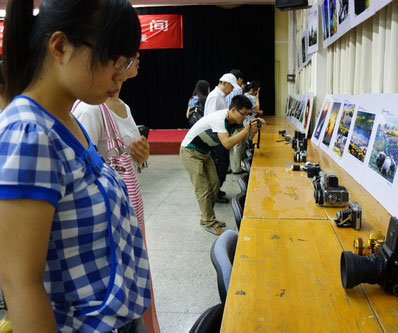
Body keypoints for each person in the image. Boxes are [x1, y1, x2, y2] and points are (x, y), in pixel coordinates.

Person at [0, 1, 150, 332]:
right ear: (60, 46)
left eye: (125, 62)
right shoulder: (29, 133)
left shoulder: (67, 120)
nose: (121, 73)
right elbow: (20, 283)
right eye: (113, 59)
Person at [72, 52, 160, 333]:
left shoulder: (121, 105)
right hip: (110, 222)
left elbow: (123, 158)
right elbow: (82, 169)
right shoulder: (89, 109)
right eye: (127, 57)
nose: (133, 63)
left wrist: (140, 153)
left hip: (130, 210)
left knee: (136, 282)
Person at [180, 95, 261, 235]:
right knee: (203, 188)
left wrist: (252, 130)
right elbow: (227, 143)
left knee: (214, 184)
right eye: (244, 114)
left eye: (248, 115)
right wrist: (246, 130)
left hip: (204, 152)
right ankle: (209, 222)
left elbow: (246, 139)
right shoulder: (220, 119)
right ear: (234, 110)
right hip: (190, 151)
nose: (245, 118)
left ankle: (206, 217)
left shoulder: (234, 120)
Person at [205, 73, 238, 203]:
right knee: (219, 164)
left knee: (223, 164)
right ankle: (215, 193)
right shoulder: (214, 96)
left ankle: (217, 189)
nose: (231, 90)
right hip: (217, 136)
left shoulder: (220, 96)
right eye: (230, 87)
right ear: (224, 83)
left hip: (221, 134)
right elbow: (213, 118)